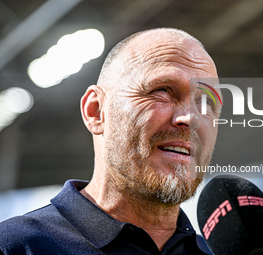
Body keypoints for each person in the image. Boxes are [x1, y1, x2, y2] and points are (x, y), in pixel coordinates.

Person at [0, 28, 222, 254]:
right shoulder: (15, 246)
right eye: (162, 90)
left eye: (207, 102)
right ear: (96, 111)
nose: (190, 118)